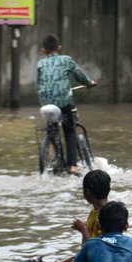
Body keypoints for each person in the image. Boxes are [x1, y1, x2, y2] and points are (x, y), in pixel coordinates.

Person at [37, 34, 97, 176]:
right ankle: (72, 166)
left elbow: (39, 83)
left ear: (43, 50)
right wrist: (89, 83)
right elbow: (80, 75)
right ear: (59, 48)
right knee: (69, 130)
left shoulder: (40, 64)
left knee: (51, 128)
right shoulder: (66, 60)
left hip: (46, 104)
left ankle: (51, 155)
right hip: (63, 102)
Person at [52, 169, 111, 262]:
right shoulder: (95, 212)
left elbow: (98, 251)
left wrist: (84, 229)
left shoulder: (105, 217)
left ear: (87, 192)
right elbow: (88, 249)